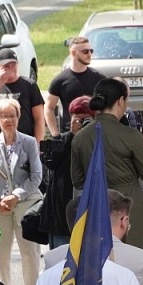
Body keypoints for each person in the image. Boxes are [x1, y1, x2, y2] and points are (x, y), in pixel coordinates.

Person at [71, 78, 143, 255]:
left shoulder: (80, 137)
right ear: (121, 101)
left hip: (95, 204)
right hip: (129, 205)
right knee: (136, 261)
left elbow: (78, 180)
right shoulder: (130, 135)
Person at [0, 99, 44, 285]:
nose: (8, 120)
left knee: (29, 251)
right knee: (1, 254)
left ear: (19, 118)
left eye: (12, 115)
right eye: (3, 116)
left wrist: (16, 195)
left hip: (25, 203)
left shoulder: (28, 142)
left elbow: (36, 176)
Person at [38, 95, 94, 249]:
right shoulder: (62, 141)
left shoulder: (99, 141)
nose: (82, 123)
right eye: (78, 119)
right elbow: (51, 164)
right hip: (61, 215)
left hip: (90, 212)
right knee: (61, 260)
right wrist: (71, 136)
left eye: (86, 119)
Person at [0, 49, 45, 141]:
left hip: (25, 140)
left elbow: (39, 118)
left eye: (13, 65)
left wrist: (38, 143)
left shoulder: (29, 85)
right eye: (7, 66)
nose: (11, 69)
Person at [46, 37, 105, 136]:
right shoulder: (60, 80)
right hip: (69, 135)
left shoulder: (99, 78)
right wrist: (55, 134)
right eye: (85, 51)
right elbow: (48, 108)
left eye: (91, 51)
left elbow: (109, 106)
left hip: (95, 133)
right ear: (73, 53)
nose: (89, 54)